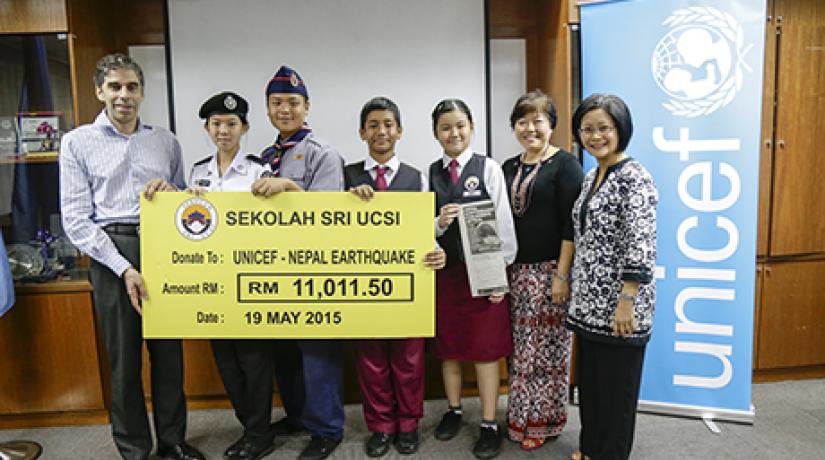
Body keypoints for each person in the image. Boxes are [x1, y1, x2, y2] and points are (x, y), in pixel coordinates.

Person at [59, 54, 204, 460]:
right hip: (111, 252)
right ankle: (135, 449)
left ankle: (173, 441)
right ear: (99, 91)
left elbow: (182, 196)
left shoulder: (165, 140)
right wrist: (125, 267)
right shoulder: (77, 143)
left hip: (162, 250)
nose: (124, 95)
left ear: (142, 92)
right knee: (124, 361)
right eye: (115, 87)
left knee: (169, 354)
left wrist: (175, 192)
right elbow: (75, 220)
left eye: (132, 87)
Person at [345, 96, 445, 457]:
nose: (381, 131)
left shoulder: (417, 178)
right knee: (371, 361)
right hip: (363, 286)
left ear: (399, 131)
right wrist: (349, 200)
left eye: (388, 124)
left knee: (409, 360)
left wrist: (437, 250)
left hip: (408, 284)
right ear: (362, 132)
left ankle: (408, 424)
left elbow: (426, 232)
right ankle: (381, 426)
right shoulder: (348, 177)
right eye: (373, 125)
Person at [258, 65, 346, 460]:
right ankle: (298, 415)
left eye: (293, 102)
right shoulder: (263, 156)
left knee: (317, 352)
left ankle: (327, 429)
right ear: (267, 109)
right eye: (277, 103)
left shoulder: (323, 154)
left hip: (312, 270)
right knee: (285, 351)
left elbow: (329, 218)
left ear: (306, 106)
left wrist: (291, 186)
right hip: (273, 270)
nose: (285, 109)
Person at [567, 94, 658, 460]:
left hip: (621, 306)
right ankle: (590, 448)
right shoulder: (592, 174)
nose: (595, 136)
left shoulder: (635, 177)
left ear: (621, 129)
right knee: (593, 386)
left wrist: (626, 300)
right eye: (587, 129)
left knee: (617, 393)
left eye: (604, 128)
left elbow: (641, 243)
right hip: (589, 304)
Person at [187, 91, 276, 460]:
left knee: (254, 362)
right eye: (216, 124)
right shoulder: (196, 173)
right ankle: (250, 426)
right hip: (212, 284)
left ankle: (259, 434)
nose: (223, 130)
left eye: (231, 124)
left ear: (245, 128)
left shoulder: (259, 171)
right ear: (207, 128)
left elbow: (276, 226)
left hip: (250, 281)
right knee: (225, 360)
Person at [428, 99, 517, 460]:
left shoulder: (488, 168)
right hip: (446, 276)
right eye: (446, 127)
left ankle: (489, 423)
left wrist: (501, 275)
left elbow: (504, 222)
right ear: (436, 133)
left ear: (472, 127)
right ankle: (453, 410)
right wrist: (438, 224)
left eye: (461, 125)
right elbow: (421, 226)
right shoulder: (430, 172)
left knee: (484, 353)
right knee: (449, 350)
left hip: (483, 275)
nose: (454, 133)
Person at [501, 90, 583, 450]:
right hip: (514, 274)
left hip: (552, 272)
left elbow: (572, 226)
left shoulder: (566, 165)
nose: (530, 128)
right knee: (519, 351)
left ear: (551, 124)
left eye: (538, 120)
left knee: (547, 352)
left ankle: (544, 421)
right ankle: (518, 417)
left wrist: (562, 275)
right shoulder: (506, 167)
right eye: (523, 121)